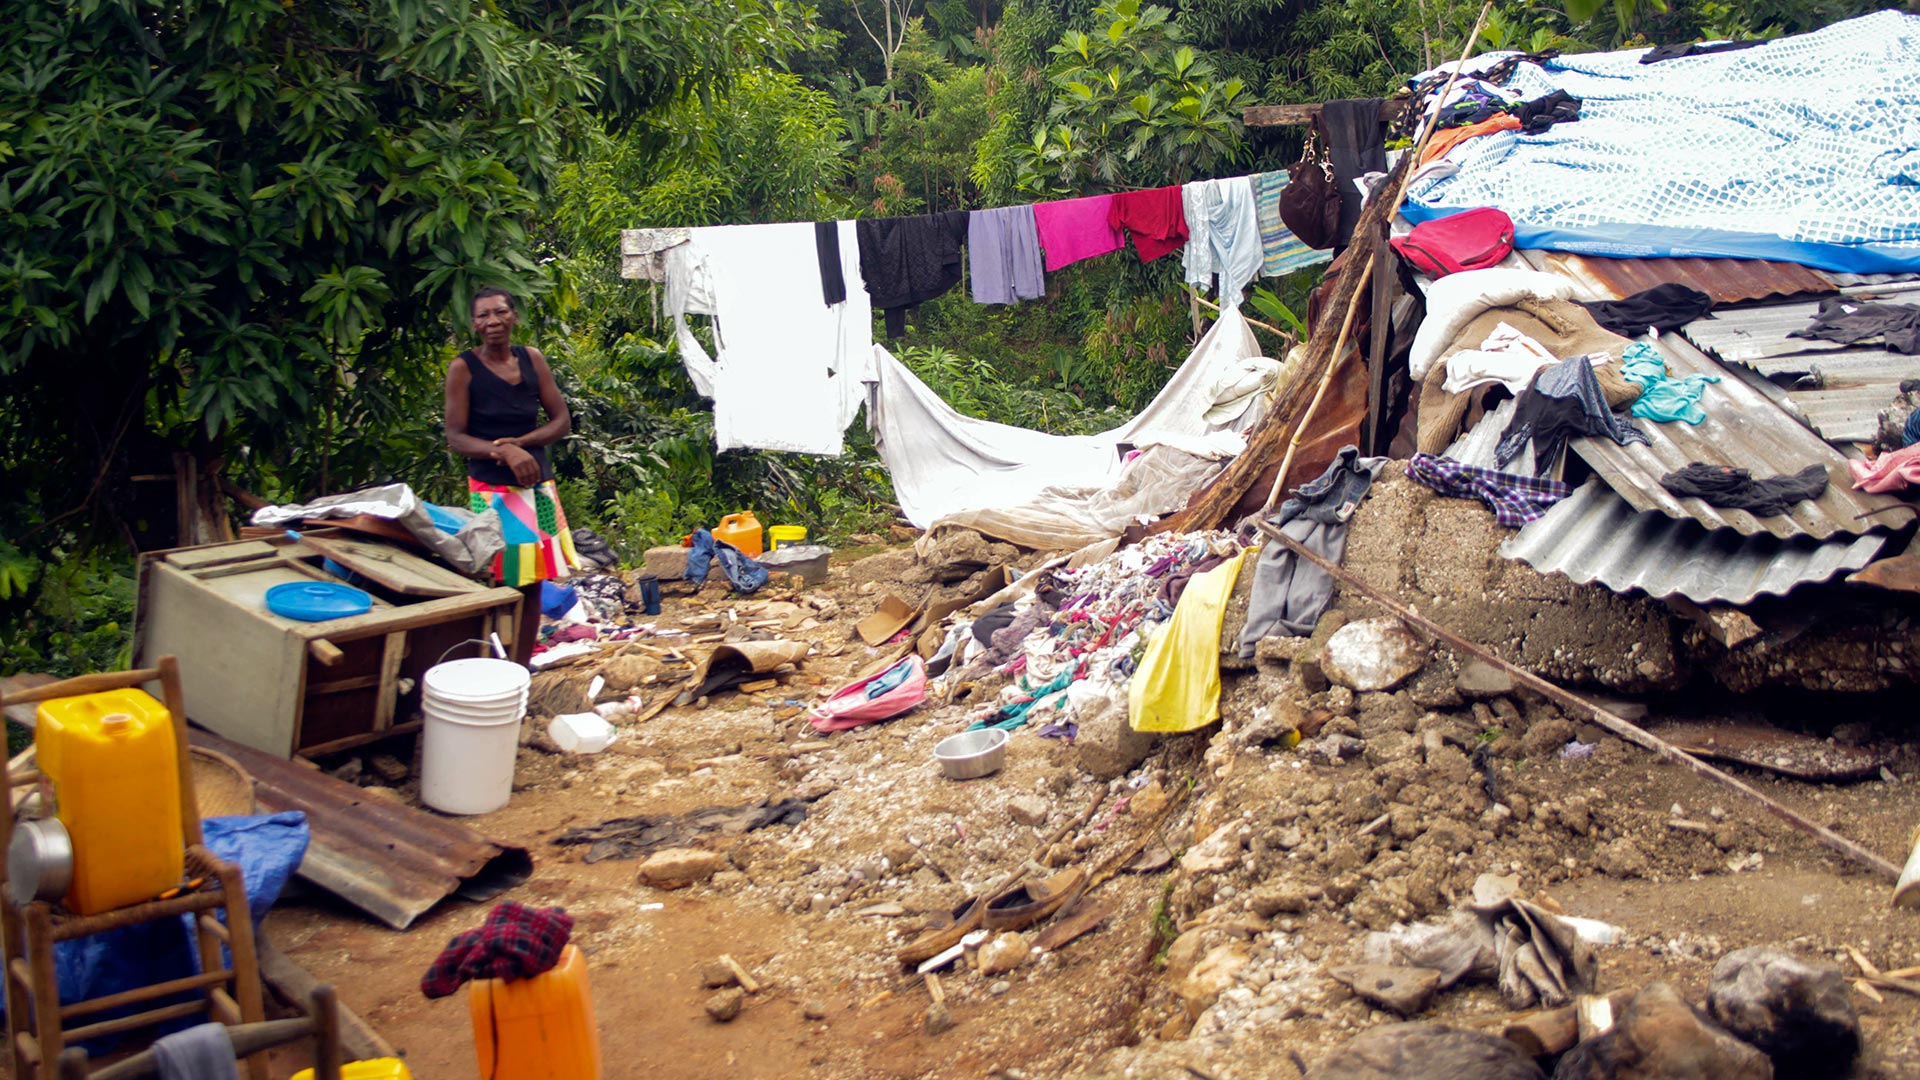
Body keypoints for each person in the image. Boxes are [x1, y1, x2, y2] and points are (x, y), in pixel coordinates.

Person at [445, 287, 580, 660]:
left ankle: (522, 660)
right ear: (474, 323)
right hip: (494, 489)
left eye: (500, 312)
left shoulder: (531, 360)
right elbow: (455, 436)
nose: (493, 321)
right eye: (483, 315)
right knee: (502, 576)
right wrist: (500, 450)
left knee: (535, 577)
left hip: (537, 484)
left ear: (514, 316)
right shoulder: (463, 369)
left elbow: (561, 420)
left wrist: (520, 442)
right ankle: (498, 660)